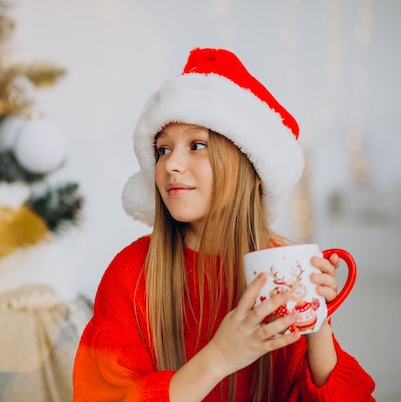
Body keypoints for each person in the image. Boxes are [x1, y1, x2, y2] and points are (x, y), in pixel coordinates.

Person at [72, 47, 375, 402]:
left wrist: (317, 324)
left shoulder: (279, 266)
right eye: (163, 150)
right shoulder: (130, 276)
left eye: (196, 145)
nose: (171, 165)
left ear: (250, 165)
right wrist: (219, 357)